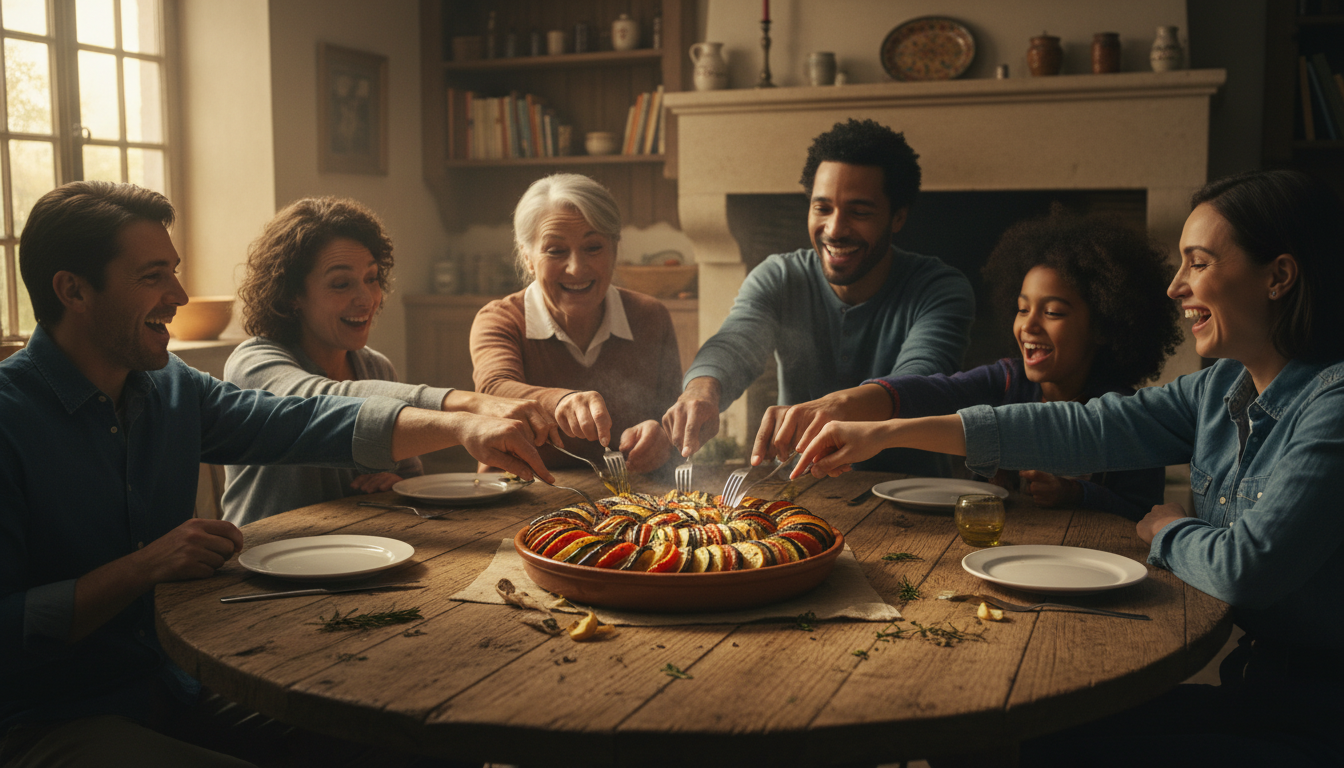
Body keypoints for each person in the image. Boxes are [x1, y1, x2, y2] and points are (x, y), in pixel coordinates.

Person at [794, 170, 1344, 766]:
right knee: (992, 734)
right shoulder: (1219, 389)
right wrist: (882, 433)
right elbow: (1083, 427)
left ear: (1279, 276)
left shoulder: (1333, 407)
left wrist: (1170, 531)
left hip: (1316, 721)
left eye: (1199, 262)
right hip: (1255, 689)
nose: (1175, 286)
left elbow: (1246, 568)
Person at [0, 181, 554, 767]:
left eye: (174, 272)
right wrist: (146, 566)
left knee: (411, 732)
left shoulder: (172, 387)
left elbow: (302, 419)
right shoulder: (10, 420)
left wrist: (459, 423)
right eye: (152, 276)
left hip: (175, 681)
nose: (179, 294)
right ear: (73, 290)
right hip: (48, 716)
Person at [754, 210, 1181, 519]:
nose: (1028, 325)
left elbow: (1144, 511)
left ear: (1105, 325)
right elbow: (933, 391)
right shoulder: (1007, 378)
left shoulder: (1131, 417)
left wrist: (1078, 494)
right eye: (1021, 309)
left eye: (1053, 312)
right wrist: (841, 404)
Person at [661, 118, 975, 476]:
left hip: (913, 492)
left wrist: (832, 407)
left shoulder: (941, 288)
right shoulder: (779, 276)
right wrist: (702, 390)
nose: (835, 229)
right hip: (801, 491)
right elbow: (735, 342)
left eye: (859, 212)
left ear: (898, 217)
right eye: (822, 208)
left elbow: (920, 382)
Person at [222, 197, 557, 526]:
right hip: (263, 560)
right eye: (341, 284)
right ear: (292, 295)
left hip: (357, 555)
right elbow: (317, 400)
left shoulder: (376, 367)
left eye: (371, 278)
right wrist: (468, 407)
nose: (366, 298)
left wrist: (392, 482)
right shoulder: (253, 362)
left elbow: (410, 479)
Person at [470, 173, 682, 475]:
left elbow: (672, 416)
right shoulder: (501, 319)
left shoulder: (650, 316)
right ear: (528, 257)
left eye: (593, 247)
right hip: (519, 497)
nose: (576, 268)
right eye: (556, 251)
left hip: (628, 500)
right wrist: (559, 401)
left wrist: (662, 436)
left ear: (614, 249)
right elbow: (493, 388)